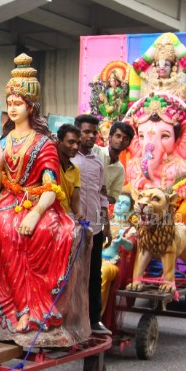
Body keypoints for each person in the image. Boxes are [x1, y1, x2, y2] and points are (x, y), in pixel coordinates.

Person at [0, 54, 75, 334]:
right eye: (9, 104)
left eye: (18, 104)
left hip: (41, 203)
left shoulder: (44, 144)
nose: (12, 109)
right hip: (9, 202)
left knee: (45, 231)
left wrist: (36, 214)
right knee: (6, 228)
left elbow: (52, 188)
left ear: (31, 107)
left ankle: (39, 309)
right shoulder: (5, 140)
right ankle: (15, 310)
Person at [73, 113, 111, 336]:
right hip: (73, 227)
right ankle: (71, 319)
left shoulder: (98, 162)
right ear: (77, 132)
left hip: (95, 227)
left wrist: (105, 226)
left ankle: (94, 320)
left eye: (94, 132)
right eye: (86, 131)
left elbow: (103, 196)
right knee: (72, 274)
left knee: (94, 273)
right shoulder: (69, 160)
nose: (91, 136)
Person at [123, 95, 186, 192]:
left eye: (165, 136)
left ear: (181, 138)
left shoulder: (182, 168)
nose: (150, 145)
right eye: (141, 136)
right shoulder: (132, 166)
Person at [94, 120, 134, 208]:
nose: (121, 140)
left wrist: (102, 196)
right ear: (110, 137)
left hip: (96, 209)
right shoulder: (95, 151)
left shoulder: (120, 170)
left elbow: (114, 198)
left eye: (125, 138)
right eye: (118, 136)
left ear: (128, 144)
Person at [55, 124, 81, 219]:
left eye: (78, 143)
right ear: (59, 142)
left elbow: (75, 199)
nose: (75, 147)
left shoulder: (75, 170)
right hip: (45, 219)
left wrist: (80, 218)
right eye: (71, 142)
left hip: (63, 220)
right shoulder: (50, 164)